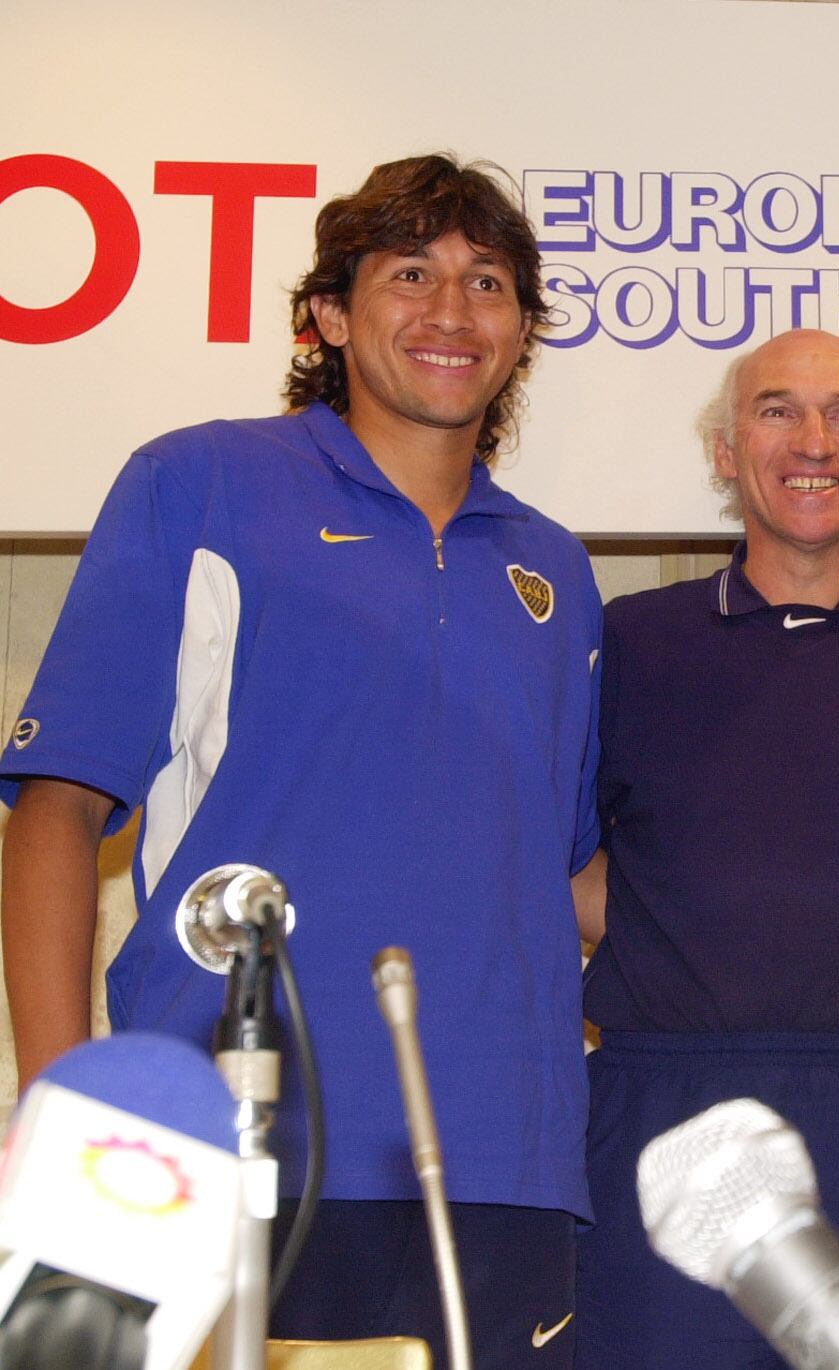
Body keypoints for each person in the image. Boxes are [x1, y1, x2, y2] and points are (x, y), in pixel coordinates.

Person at [0, 154, 600, 1367]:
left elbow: (570, 882)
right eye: (410, 274)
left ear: (522, 328)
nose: (450, 311)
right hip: (217, 1134)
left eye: (487, 281)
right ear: (328, 314)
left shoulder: (558, 571)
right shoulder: (198, 483)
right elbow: (57, 811)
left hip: (503, 1155)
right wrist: (59, 1104)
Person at [571, 328, 839, 1368]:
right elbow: (547, 869)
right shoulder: (630, 638)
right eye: (775, 409)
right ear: (725, 452)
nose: (811, 438)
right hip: (662, 1124)